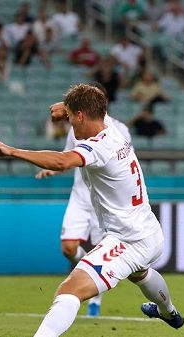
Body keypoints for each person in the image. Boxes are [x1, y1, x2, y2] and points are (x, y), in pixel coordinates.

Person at [0, 84, 183, 337]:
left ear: (79, 116)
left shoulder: (99, 146)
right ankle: (169, 312)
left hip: (127, 240)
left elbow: (63, 161)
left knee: (70, 289)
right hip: (149, 230)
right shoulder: (113, 130)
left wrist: (11, 151)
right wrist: (66, 108)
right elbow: (93, 100)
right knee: (140, 273)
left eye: (72, 117)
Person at [36, 88, 132, 317]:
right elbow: (68, 154)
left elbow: (126, 163)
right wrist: (53, 169)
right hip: (80, 197)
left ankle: (95, 301)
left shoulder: (120, 131)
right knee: (68, 248)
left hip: (104, 203)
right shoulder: (76, 126)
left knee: (102, 255)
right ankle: (83, 265)